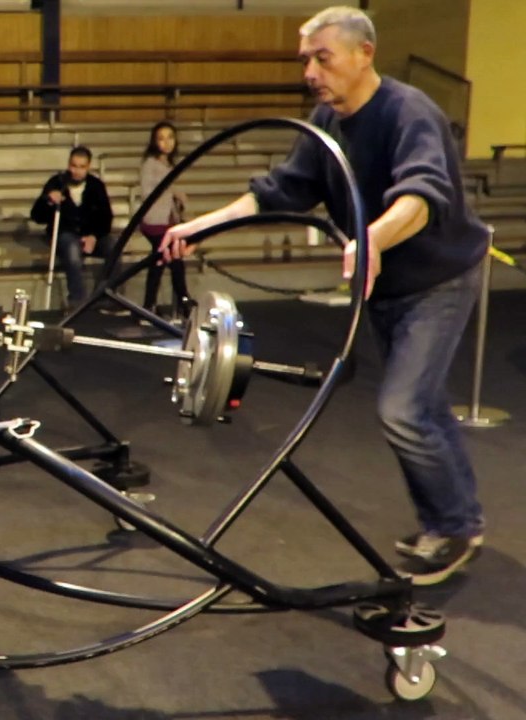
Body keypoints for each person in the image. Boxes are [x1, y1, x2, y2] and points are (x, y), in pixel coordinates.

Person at [159, 6, 487, 585]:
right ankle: (456, 520)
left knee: (403, 409)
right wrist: (201, 226)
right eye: (305, 60)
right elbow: (281, 192)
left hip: (437, 281)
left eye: (323, 58)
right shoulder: (326, 123)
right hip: (386, 286)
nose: (311, 71)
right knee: (424, 406)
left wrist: (372, 238)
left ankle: (453, 529)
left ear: (365, 54)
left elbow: (423, 195)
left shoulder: (411, 113)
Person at [29, 146, 115, 311]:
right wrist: (48, 200)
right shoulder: (57, 183)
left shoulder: (96, 186)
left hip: (91, 235)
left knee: (114, 247)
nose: (76, 171)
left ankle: (104, 295)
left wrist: (94, 236)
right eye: (73, 165)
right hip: (66, 233)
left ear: (88, 167)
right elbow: (36, 216)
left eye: (82, 167)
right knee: (72, 250)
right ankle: (78, 301)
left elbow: (106, 217)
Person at [138, 121, 190, 321]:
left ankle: (148, 306)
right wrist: (173, 192)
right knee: (174, 261)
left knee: (159, 263)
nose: (166, 143)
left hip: (168, 221)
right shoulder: (150, 164)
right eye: (161, 138)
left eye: (170, 137)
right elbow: (147, 193)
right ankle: (184, 304)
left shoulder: (168, 164)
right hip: (155, 222)